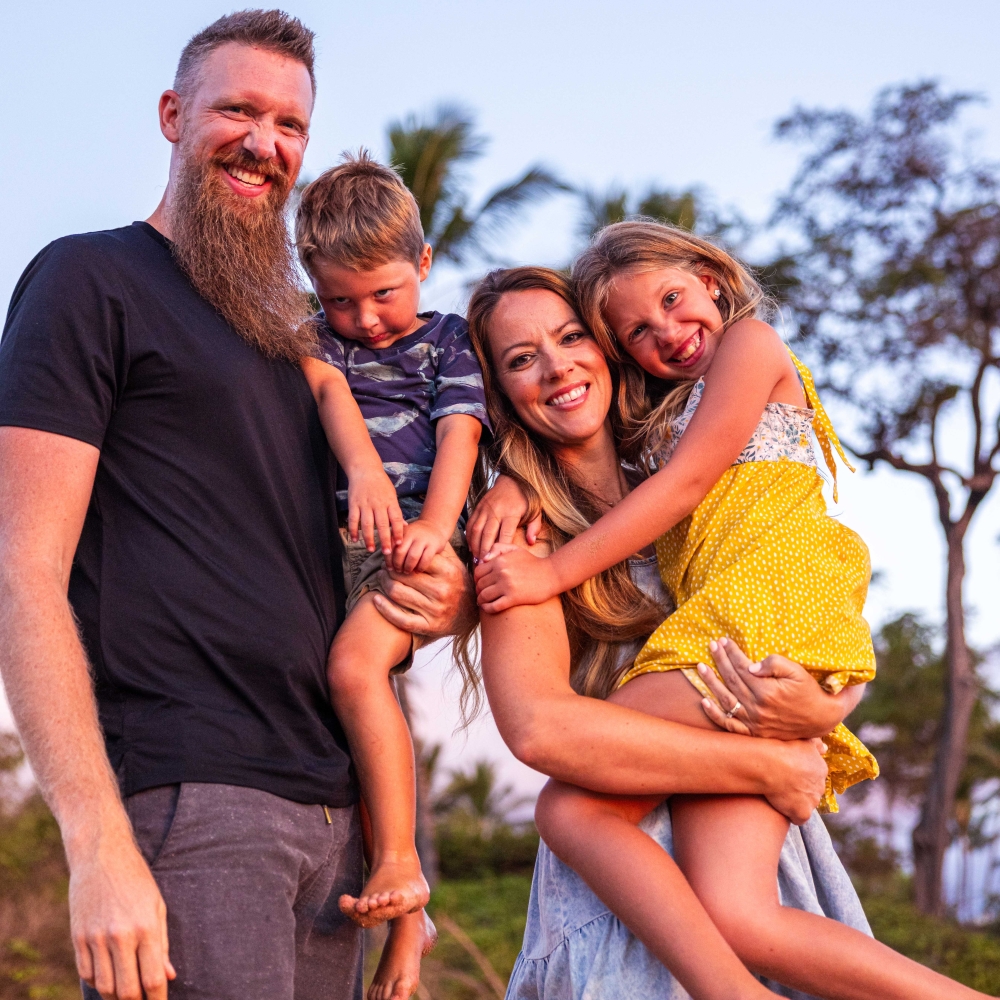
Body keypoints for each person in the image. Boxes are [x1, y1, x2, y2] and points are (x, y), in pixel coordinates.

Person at [0, 12, 469, 1000]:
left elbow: (352, 571)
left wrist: (443, 595)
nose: (265, 142)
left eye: (290, 124)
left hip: (338, 827)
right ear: (174, 115)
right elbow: (22, 568)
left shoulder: (304, 346)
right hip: (196, 798)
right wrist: (98, 844)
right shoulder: (91, 280)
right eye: (237, 111)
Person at [467, 252, 988, 999]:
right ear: (501, 393)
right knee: (732, 911)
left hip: (750, 784)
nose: (556, 368)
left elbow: (779, 622)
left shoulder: (683, 457)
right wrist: (779, 762)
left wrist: (821, 712)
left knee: (594, 822)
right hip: (632, 904)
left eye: (572, 338)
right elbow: (541, 733)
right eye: (523, 359)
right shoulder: (525, 533)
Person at [293, 155, 487, 969]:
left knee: (352, 674)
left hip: (407, 549)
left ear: (425, 264)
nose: (365, 318)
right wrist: (363, 470)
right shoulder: (312, 337)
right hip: (330, 548)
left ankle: (401, 863)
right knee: (351, 717)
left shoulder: (448, 338)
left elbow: (460, 433)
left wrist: (438, 530)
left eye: (383, 293)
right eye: (340, 299)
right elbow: (329, 397)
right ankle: (408, 913)